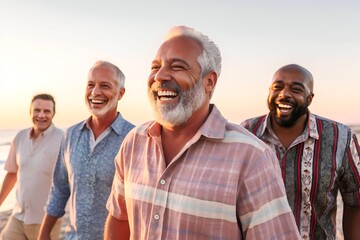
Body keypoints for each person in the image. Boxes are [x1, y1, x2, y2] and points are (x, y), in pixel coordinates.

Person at [104, 26, 300, 239]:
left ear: (209, 81)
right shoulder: (134, 142)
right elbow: (119, 218)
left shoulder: (251, 157)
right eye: (155, 67)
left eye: (177, 66)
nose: (159, 76)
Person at [241, 64, 360, 239]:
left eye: (296, 89)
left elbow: (355, 203)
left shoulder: (340, 137)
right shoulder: (245, 134)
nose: (284, 94)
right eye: (278, 87)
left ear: (309, 98)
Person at [38, 61, 135, 239]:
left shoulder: (135, 139)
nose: (95, 92)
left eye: (104, 85)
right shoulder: (71, 135)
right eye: (91, 85)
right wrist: (43, 234)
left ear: (120, 93)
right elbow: (59, 189)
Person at [0, 94, 64, 240]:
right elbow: (12, 174)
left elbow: (70, 181)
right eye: (37, 110)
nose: (41, 115)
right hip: (18, 217)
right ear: (30, 111)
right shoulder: (20, 137)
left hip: (45, 220)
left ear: (53, 113)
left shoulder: (63, 139)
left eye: (47, 111)